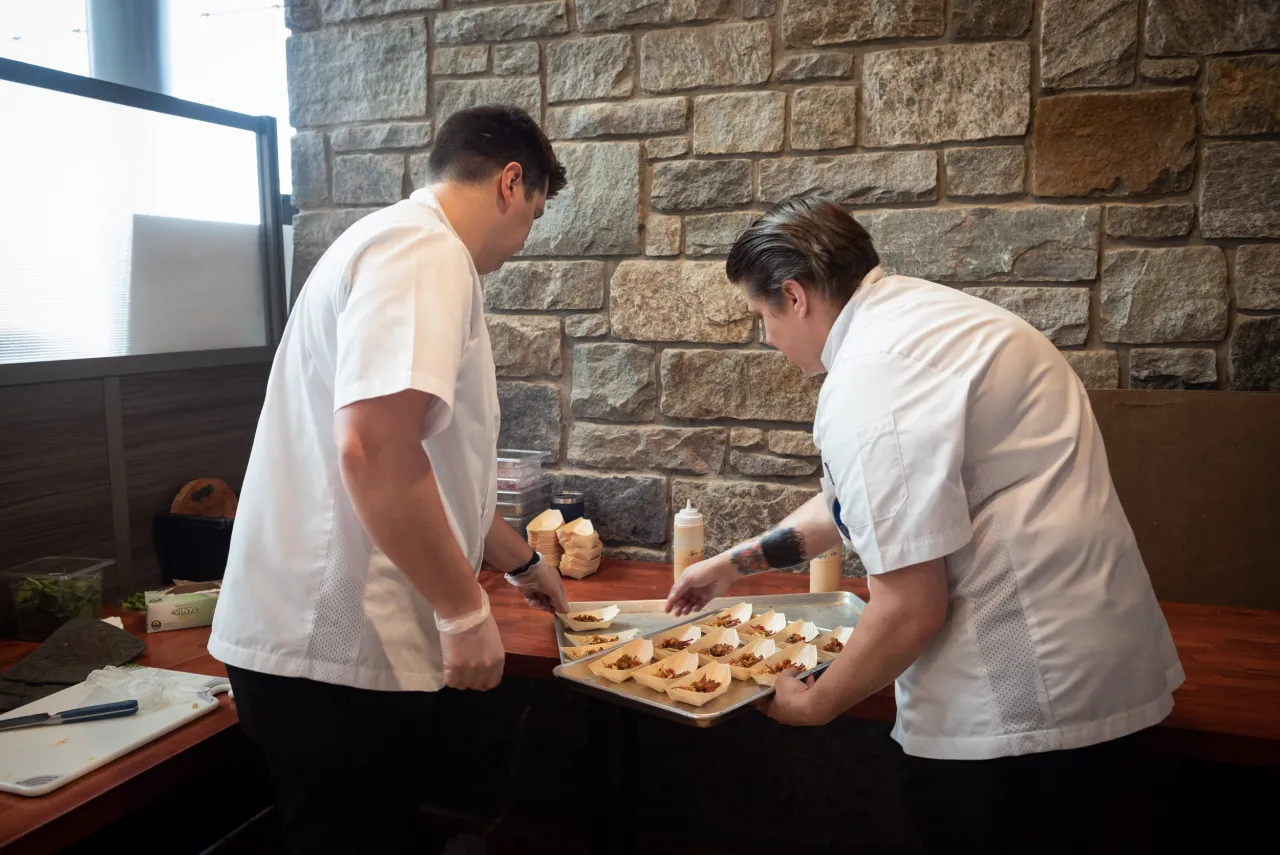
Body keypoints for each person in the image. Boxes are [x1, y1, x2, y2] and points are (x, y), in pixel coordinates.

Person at [666, 195, 1184, 853]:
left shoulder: (870, 380)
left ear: (794, 296)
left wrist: (816, 704)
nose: (766, 336)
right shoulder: (922, 319)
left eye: (760, 315)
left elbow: (911, 608)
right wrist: (729, 565)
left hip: (1019, 716)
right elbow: (849, 502)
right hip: (1095, 671)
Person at [208, 106, 571, 855]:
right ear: (510, 183)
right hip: (329, 654)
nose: (524, 238)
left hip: (324, 655)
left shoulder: (394, 243)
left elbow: (426, 459)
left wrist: (519, 559)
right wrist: (463, 610)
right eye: (533, 214)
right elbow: (372, 449)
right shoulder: (423, 251)